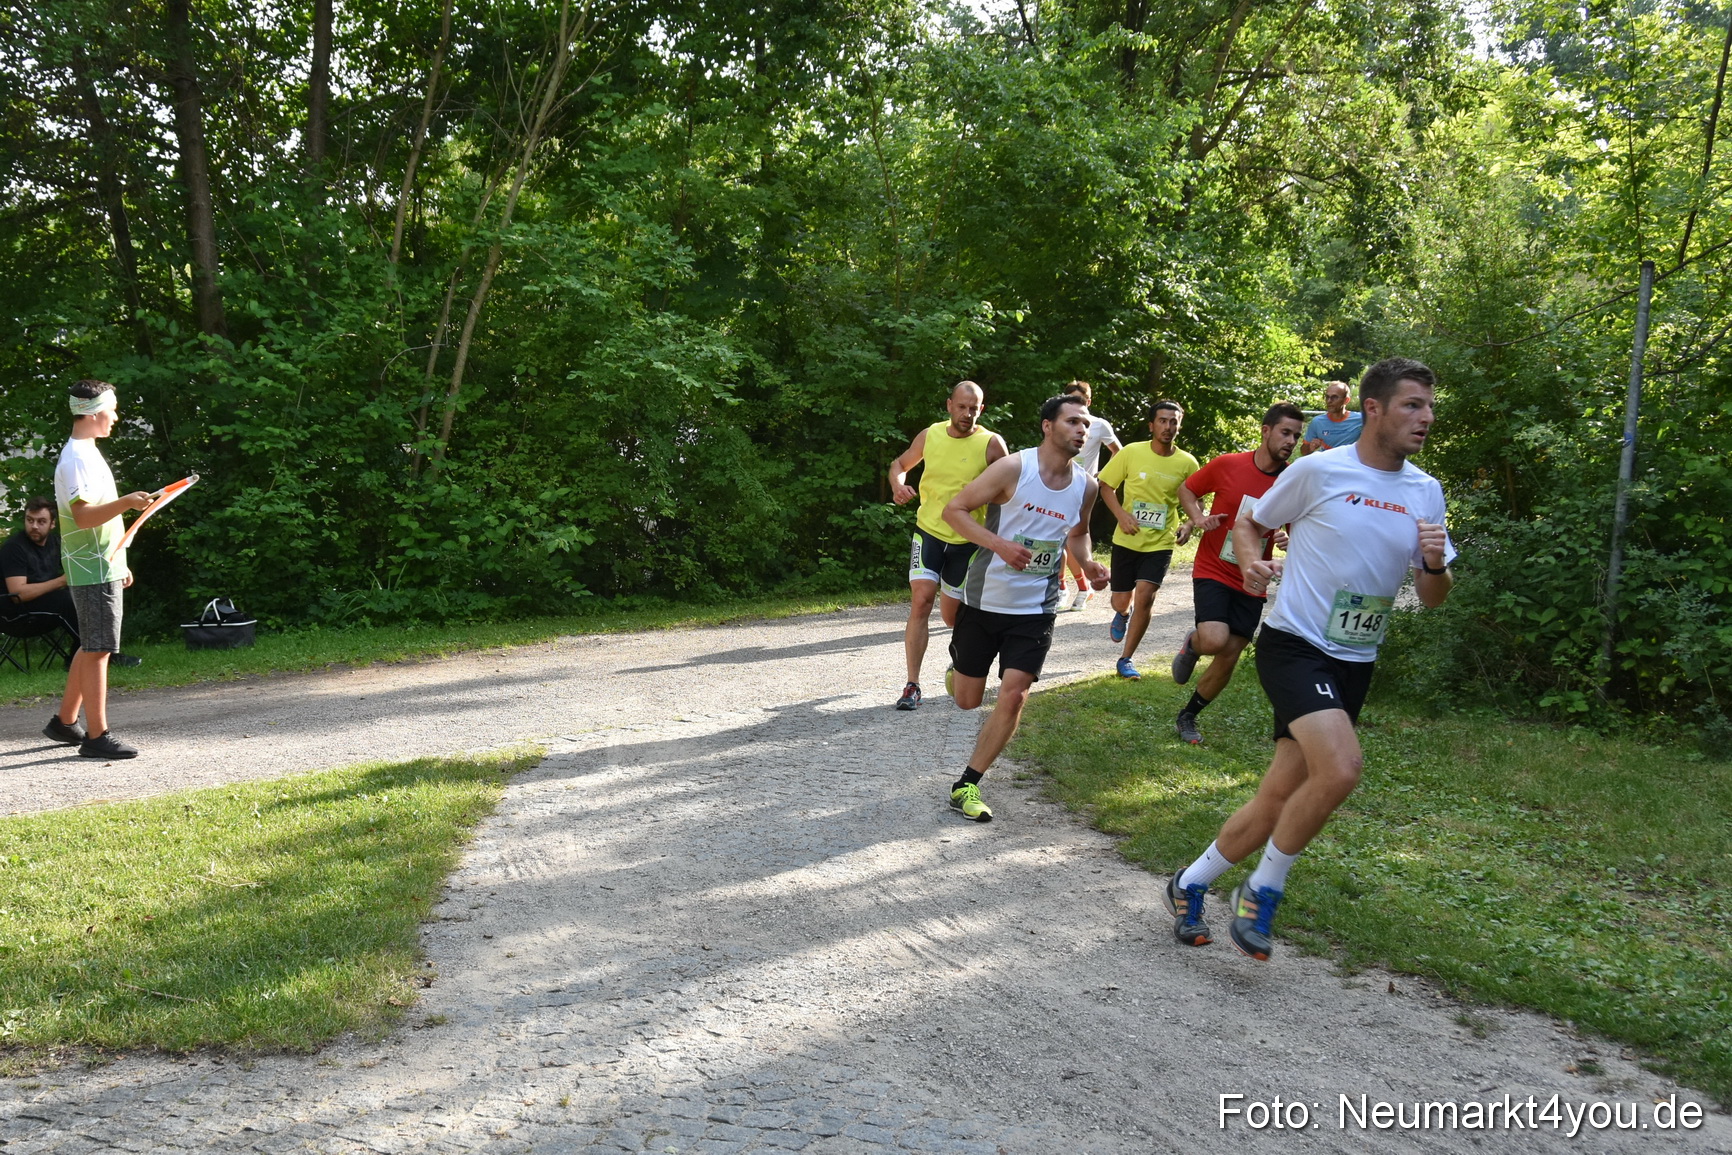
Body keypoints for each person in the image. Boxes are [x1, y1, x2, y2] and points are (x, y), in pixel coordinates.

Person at [1164, 358, 1454, 957]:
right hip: (1295, 644)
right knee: (1341, 769)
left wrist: (1432, 564)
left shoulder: (1425, 490)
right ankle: (1262, 891)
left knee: (1279, 795)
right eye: (1411, 405)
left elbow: (1433, 597)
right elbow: (1251, 522)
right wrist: (1248, 564)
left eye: (1428, 407)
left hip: (1356, 658)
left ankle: (1189, 883)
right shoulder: (1321, 470)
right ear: (1371, 408)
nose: (1425, 418)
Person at [939, 394, 1108, 822]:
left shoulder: (1086, 485)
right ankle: (958, 671)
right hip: (984, 599)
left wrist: (1087, 563)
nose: (1081, 431)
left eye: (1085, 424)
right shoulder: (1014, 468)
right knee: (966, 699)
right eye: (1072, 422)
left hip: (1036, 607)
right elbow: (954, 510)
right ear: (1047, 427)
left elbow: (1078, 534)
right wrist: (998, 544)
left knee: (1015, 694)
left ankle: (968, 783)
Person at [1169, 403, 1307, 744]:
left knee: (1230, 652)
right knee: (1215, 640)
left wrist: (1289, 538)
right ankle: (1194, 642)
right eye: (1285, 432)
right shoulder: (1229, 464)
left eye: (1296, 436)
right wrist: (1198, 518)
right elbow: (1187, 489)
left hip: (1253, 577)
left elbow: (1299, 528)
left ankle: (1189, 716)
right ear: (1265, 430)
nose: (1291, 441)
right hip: (1214, 567)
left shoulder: (1292, 481)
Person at [46, 379, 152, 758]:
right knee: (99, 649)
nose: (116, 417)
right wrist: (126, 502)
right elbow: (84, 516)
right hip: (90, 568)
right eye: (112, 409)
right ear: (92, 414)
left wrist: (118, 558)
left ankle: (65, 721)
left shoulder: (86, 451)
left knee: (92, 645)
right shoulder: (77, 459)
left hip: (100, 564)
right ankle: (97, 737)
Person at [887, 381, 1008, 710]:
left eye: (974, 408)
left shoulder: (992, 445)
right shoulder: (931, 435)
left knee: (953, 618)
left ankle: (961, 658)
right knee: (922, 600)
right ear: (949, 405)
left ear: (981, 409)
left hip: (968, 542)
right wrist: (899, 485)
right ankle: (912, 684)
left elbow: (1009, 493)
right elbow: (899, 465)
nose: (967, 414)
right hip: (928, 532)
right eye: (962, 407)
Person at [1096, 400, 1198, 679]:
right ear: (1152, 425)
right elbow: (1106, 486)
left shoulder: (1187, 463)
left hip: (1161, 542)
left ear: (1179, 425)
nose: (1168, 427)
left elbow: (1195, 502)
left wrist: (1189, 524)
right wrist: (1121, 516)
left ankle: (1125, 659)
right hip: (1127, 539)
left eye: (1173, 421)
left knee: (1145, 597)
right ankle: (1122, 613)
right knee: (1121, 600)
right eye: (1163, 421)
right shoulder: (1131, 452)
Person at [1, 497, 142, 667]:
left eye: (41, 521)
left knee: (85, 595)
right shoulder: (14, 548)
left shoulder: (55, 542)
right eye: (30, 520)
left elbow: (84, 559)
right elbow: (19, 594)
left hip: (44, 606)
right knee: (67, 600)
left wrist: (118, 568)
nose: (34, 526)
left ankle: (80, 657)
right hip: (14, 615)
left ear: (52, 524)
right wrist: (61, 581)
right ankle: (102, 655)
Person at [1058, 380, 1121, 611]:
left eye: (1082, 401)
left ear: (1089, 402)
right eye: (1072, 400)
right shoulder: (1059, 422)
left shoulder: (1099, 425)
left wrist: (1102, 476)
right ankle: (1063, 588)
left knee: (1071, 537)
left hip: (1082, 489)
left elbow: (1118, 452)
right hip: (1057, 485)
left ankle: (1084, 587)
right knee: (1058, 539)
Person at [1301, 380, 1362, 454]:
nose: (1329, 401)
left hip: (1350, 464)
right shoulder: (1317, 422)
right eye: (1327, 397)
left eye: (1334, 397)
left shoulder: (1360, 419)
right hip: (1327, 464)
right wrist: (1310, 448)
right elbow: (1304, 451)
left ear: (1346, 400)